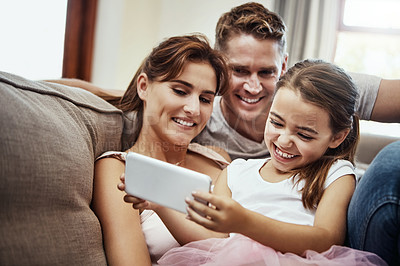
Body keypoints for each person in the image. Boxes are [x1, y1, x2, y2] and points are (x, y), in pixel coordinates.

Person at [124, 60, 386, 265]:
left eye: (304, 134)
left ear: (337, 136)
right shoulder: (236, 172)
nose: (284, 141)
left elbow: (326, 239)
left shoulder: (336, 174)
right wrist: (160, 205)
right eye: (276, 123)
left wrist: (244, 223)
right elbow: (210, 243)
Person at [91, 33, 231, 265]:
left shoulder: (218, 158)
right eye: (180, 91)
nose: (194, 109)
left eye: (205, 99)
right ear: (144, 87)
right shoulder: (118, 170)